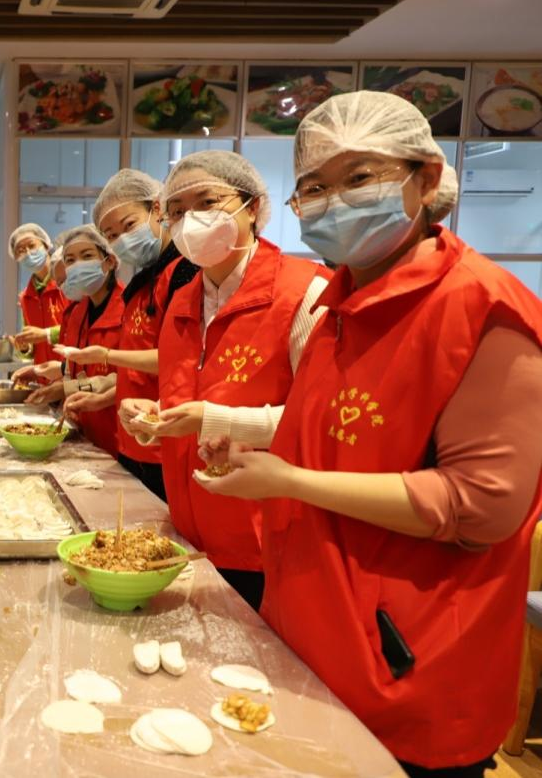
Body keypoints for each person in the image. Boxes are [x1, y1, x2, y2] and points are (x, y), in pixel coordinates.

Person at [196, 91, 542, 777]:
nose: (333, 202)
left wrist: (291, 481)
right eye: (313, 188)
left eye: (358, 177)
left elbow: (481, 506)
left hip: (410, 674)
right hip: (315, 646)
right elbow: (339, 441)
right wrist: (258, 454)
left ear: (427, 178)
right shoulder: (339, 305)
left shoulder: (484, 309)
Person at [119, 150, 330, 610]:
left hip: (266, 545)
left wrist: (212, 419)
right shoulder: (183, 301)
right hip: (189, 532)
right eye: (177, 211)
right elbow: (190, 400)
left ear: (253, 207)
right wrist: (154, 417)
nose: (191, 220)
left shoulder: (305, 294)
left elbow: (319, 425)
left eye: (208, 202)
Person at [60, 170, 198, 501]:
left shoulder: (184, 271)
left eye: (129, 225)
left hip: (165, 439)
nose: (122, 239)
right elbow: (135, 373)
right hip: (132, 437)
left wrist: (107, 356)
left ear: (157, 209)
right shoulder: (142, 283)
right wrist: (103, 397)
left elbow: (180, 360)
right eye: (111, 234)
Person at [26, 225, 126, 457]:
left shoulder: (128, 308)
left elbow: (129, 378)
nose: (78, 265)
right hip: (87, 434)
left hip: (120, 435)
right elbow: (76, 371)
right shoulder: (77, 313)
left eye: (87, 256)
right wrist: (63, 390)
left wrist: (67, 388)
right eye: (70, 260)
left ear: (109, 261)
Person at [9, 223, 68, 365]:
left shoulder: (67, 285)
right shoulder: (26, 297)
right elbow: (33, 349)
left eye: (32, 245)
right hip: (43, 373)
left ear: (46, 246)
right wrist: (25, 347)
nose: (28, 253)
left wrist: (46, 334)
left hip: (69, 371)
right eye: (20, 251)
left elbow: (81, 329)